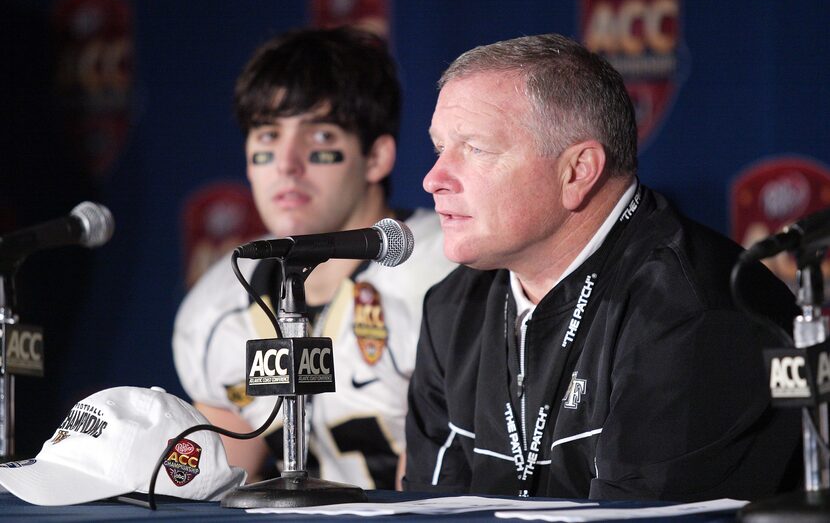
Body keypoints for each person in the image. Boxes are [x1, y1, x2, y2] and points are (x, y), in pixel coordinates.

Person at [403, 33, 802, 501]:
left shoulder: (692, 310)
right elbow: (426, 507)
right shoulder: (452, 307)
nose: (433, 179)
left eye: (474, 149)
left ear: (577, 172)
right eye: (438, 149)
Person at [173, 27, 455, 490]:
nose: (286, 162)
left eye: (319, 134)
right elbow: (215, 482)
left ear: (376, 157)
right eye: (267, 135)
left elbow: (439, 485)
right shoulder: (219, 300)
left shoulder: (441, 273)